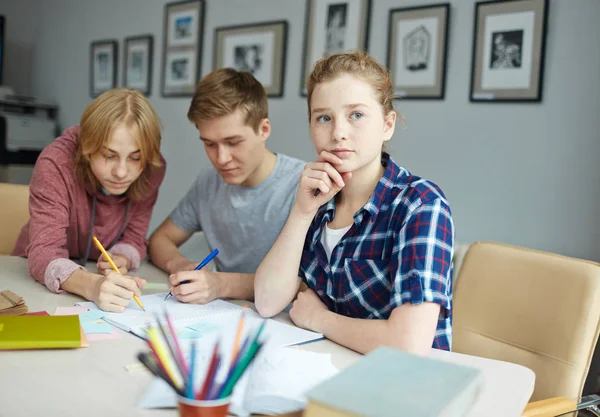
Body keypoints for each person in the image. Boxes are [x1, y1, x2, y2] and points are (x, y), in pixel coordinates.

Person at [254, 51, 454, 356]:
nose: (338, 133)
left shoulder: (420, 204)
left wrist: (319, 319)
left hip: (405, 387)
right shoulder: (319, 199)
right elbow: (267, 302)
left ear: (387, 125)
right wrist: (301, 212)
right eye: (324, 118)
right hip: (328, 370)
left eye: (356, 115)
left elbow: (408, 345)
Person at [148, 68, 304, 305]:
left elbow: (308, 283)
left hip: (285, 323)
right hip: (223, 315)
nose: (221, 158)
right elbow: (160, 240)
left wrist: (220, 284)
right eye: (210, 144)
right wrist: (180, 265)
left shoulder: (304, 186)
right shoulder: (209, 181)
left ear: (264, 130)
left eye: (233, 143)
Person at [12, 88, 166, 313]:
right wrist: (93, 286)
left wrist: (123, 257)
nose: (122, 172)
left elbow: (135, 236)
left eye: (136, 157)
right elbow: (44, 252)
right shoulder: (55, 163)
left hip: (102, 281)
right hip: (38, 282)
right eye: (109, 155)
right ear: (87, 148)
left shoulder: (152, 168)